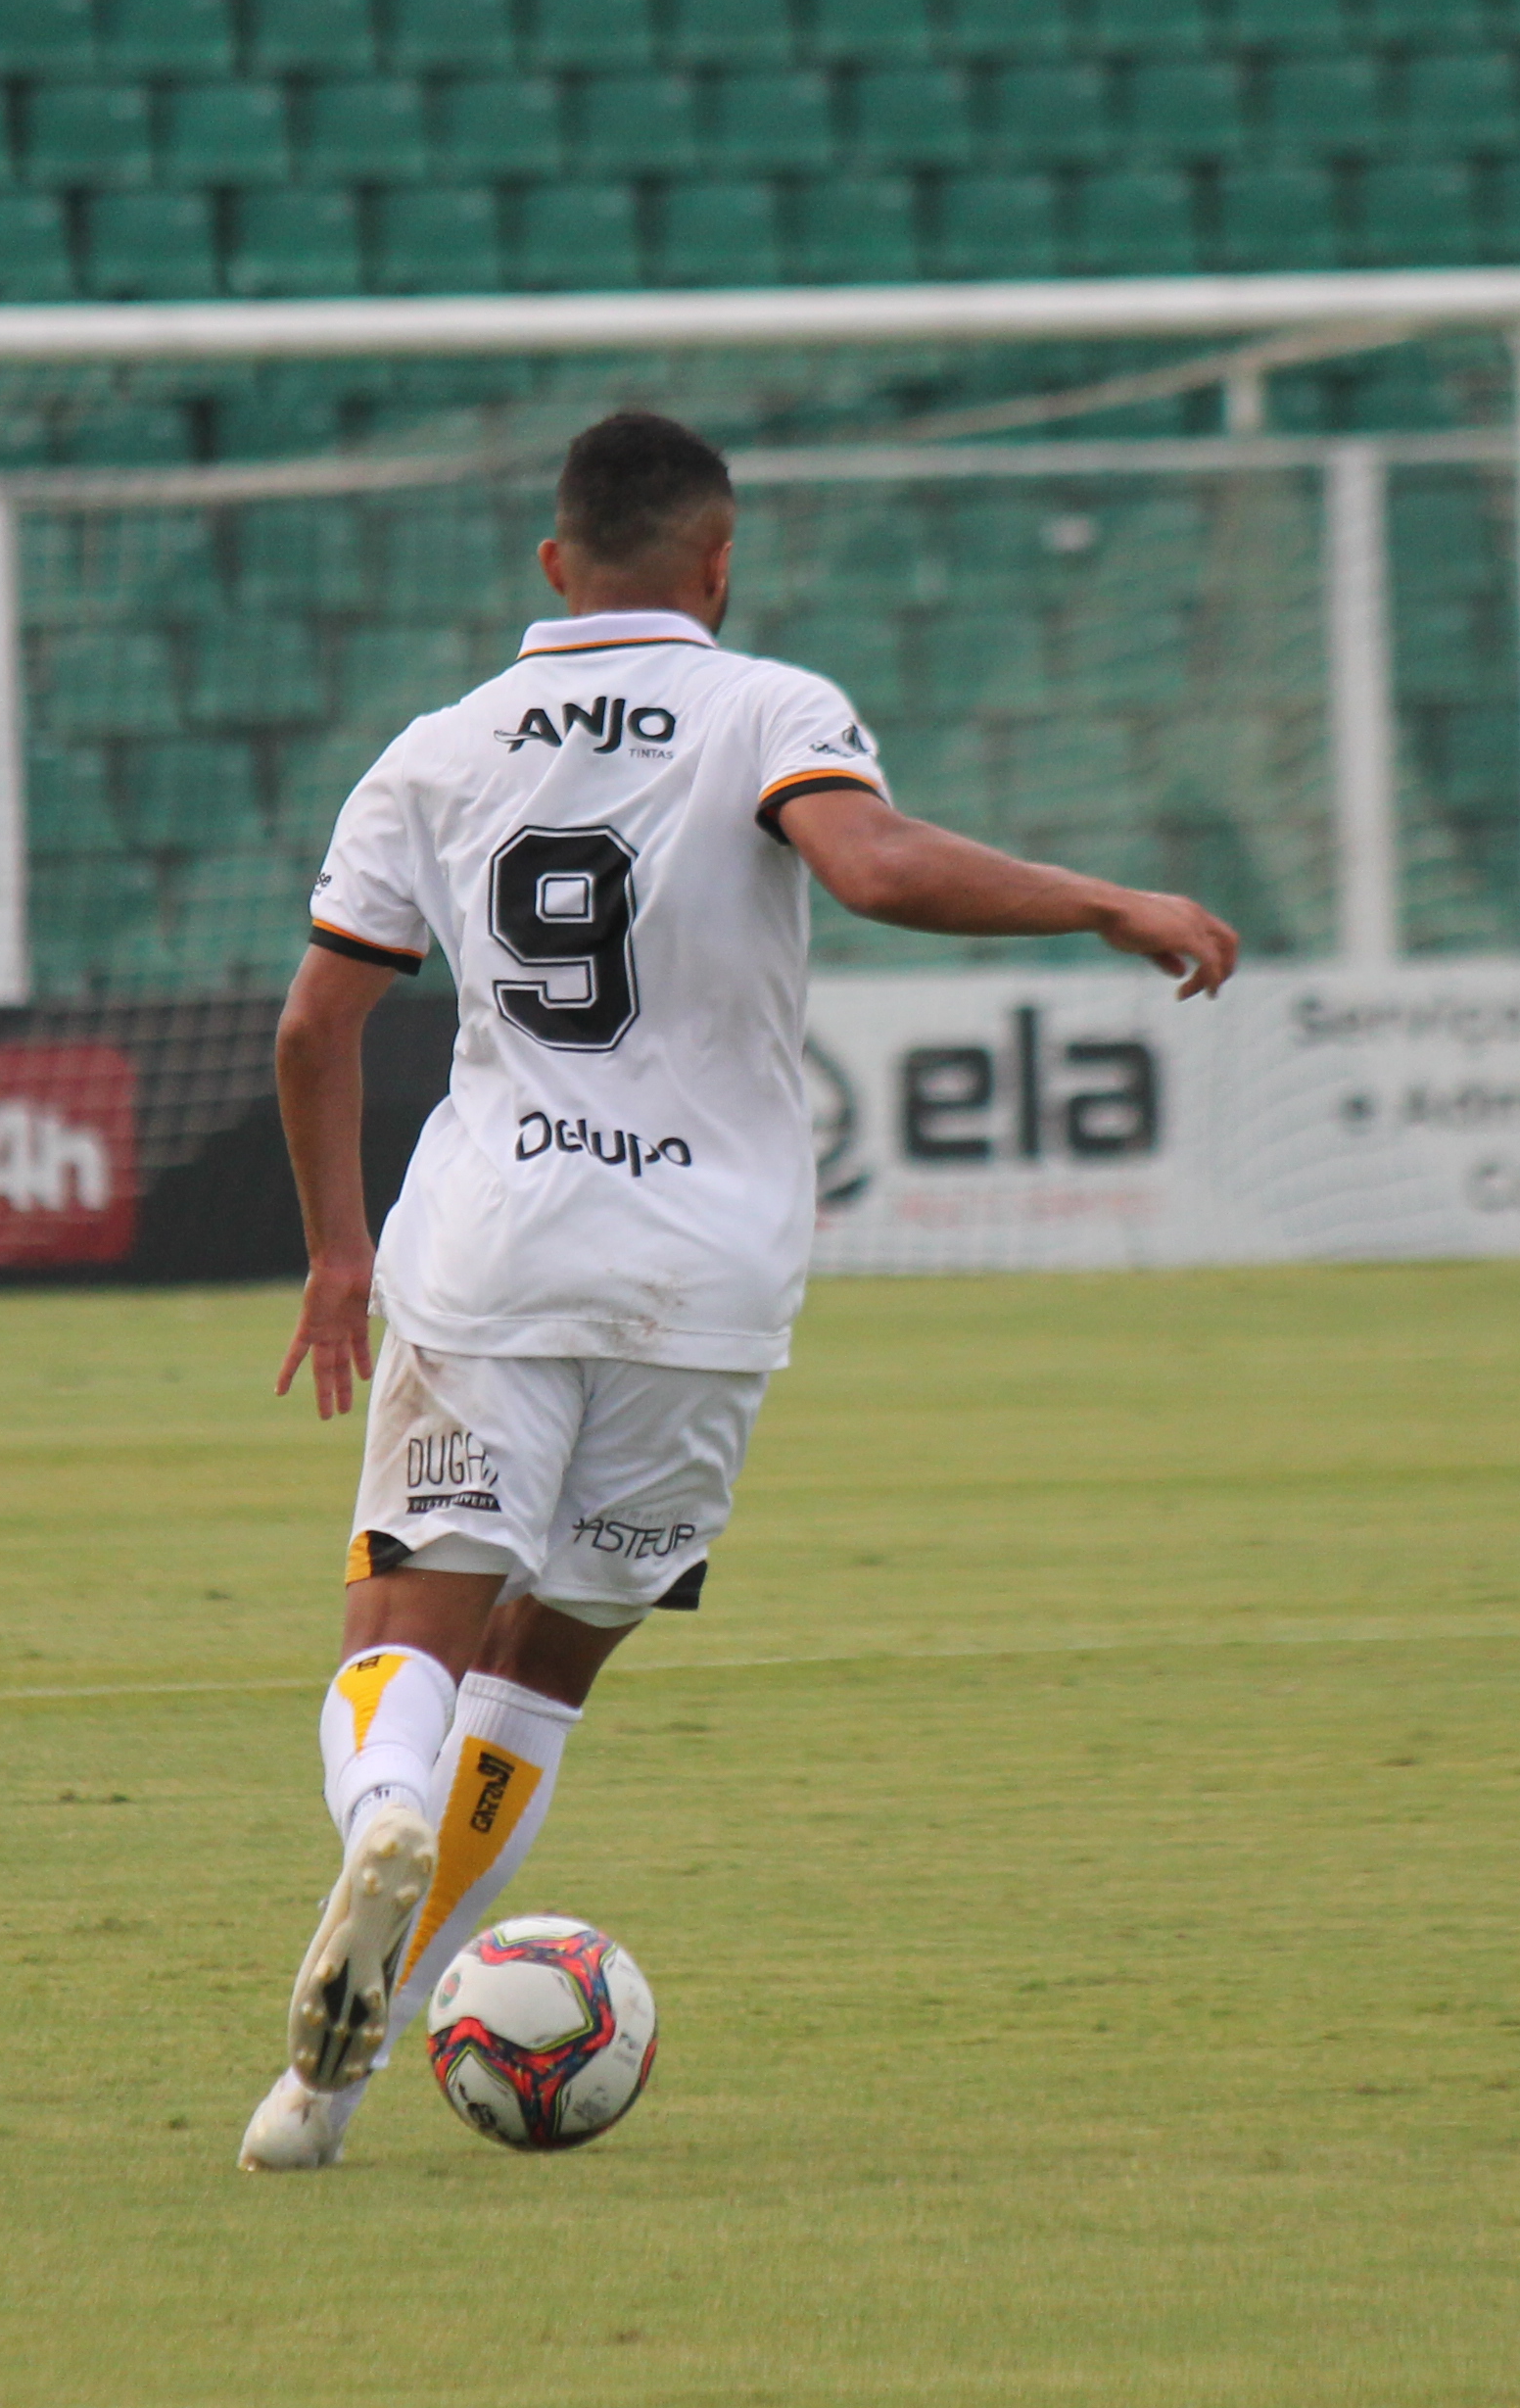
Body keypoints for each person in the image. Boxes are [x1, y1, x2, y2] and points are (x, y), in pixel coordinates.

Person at [237, 409, 1242, 2173]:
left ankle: (381, 1816)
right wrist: (1101, 900)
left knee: (405, 1632)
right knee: (543, 1667)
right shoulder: (770, 706)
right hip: (705, 1276)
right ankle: (331, 2083)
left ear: (553, 562)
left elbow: (319, 1025)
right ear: (717, 562)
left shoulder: (435, 749)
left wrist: (338, 1252)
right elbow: (873, 867)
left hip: (492, 1249)